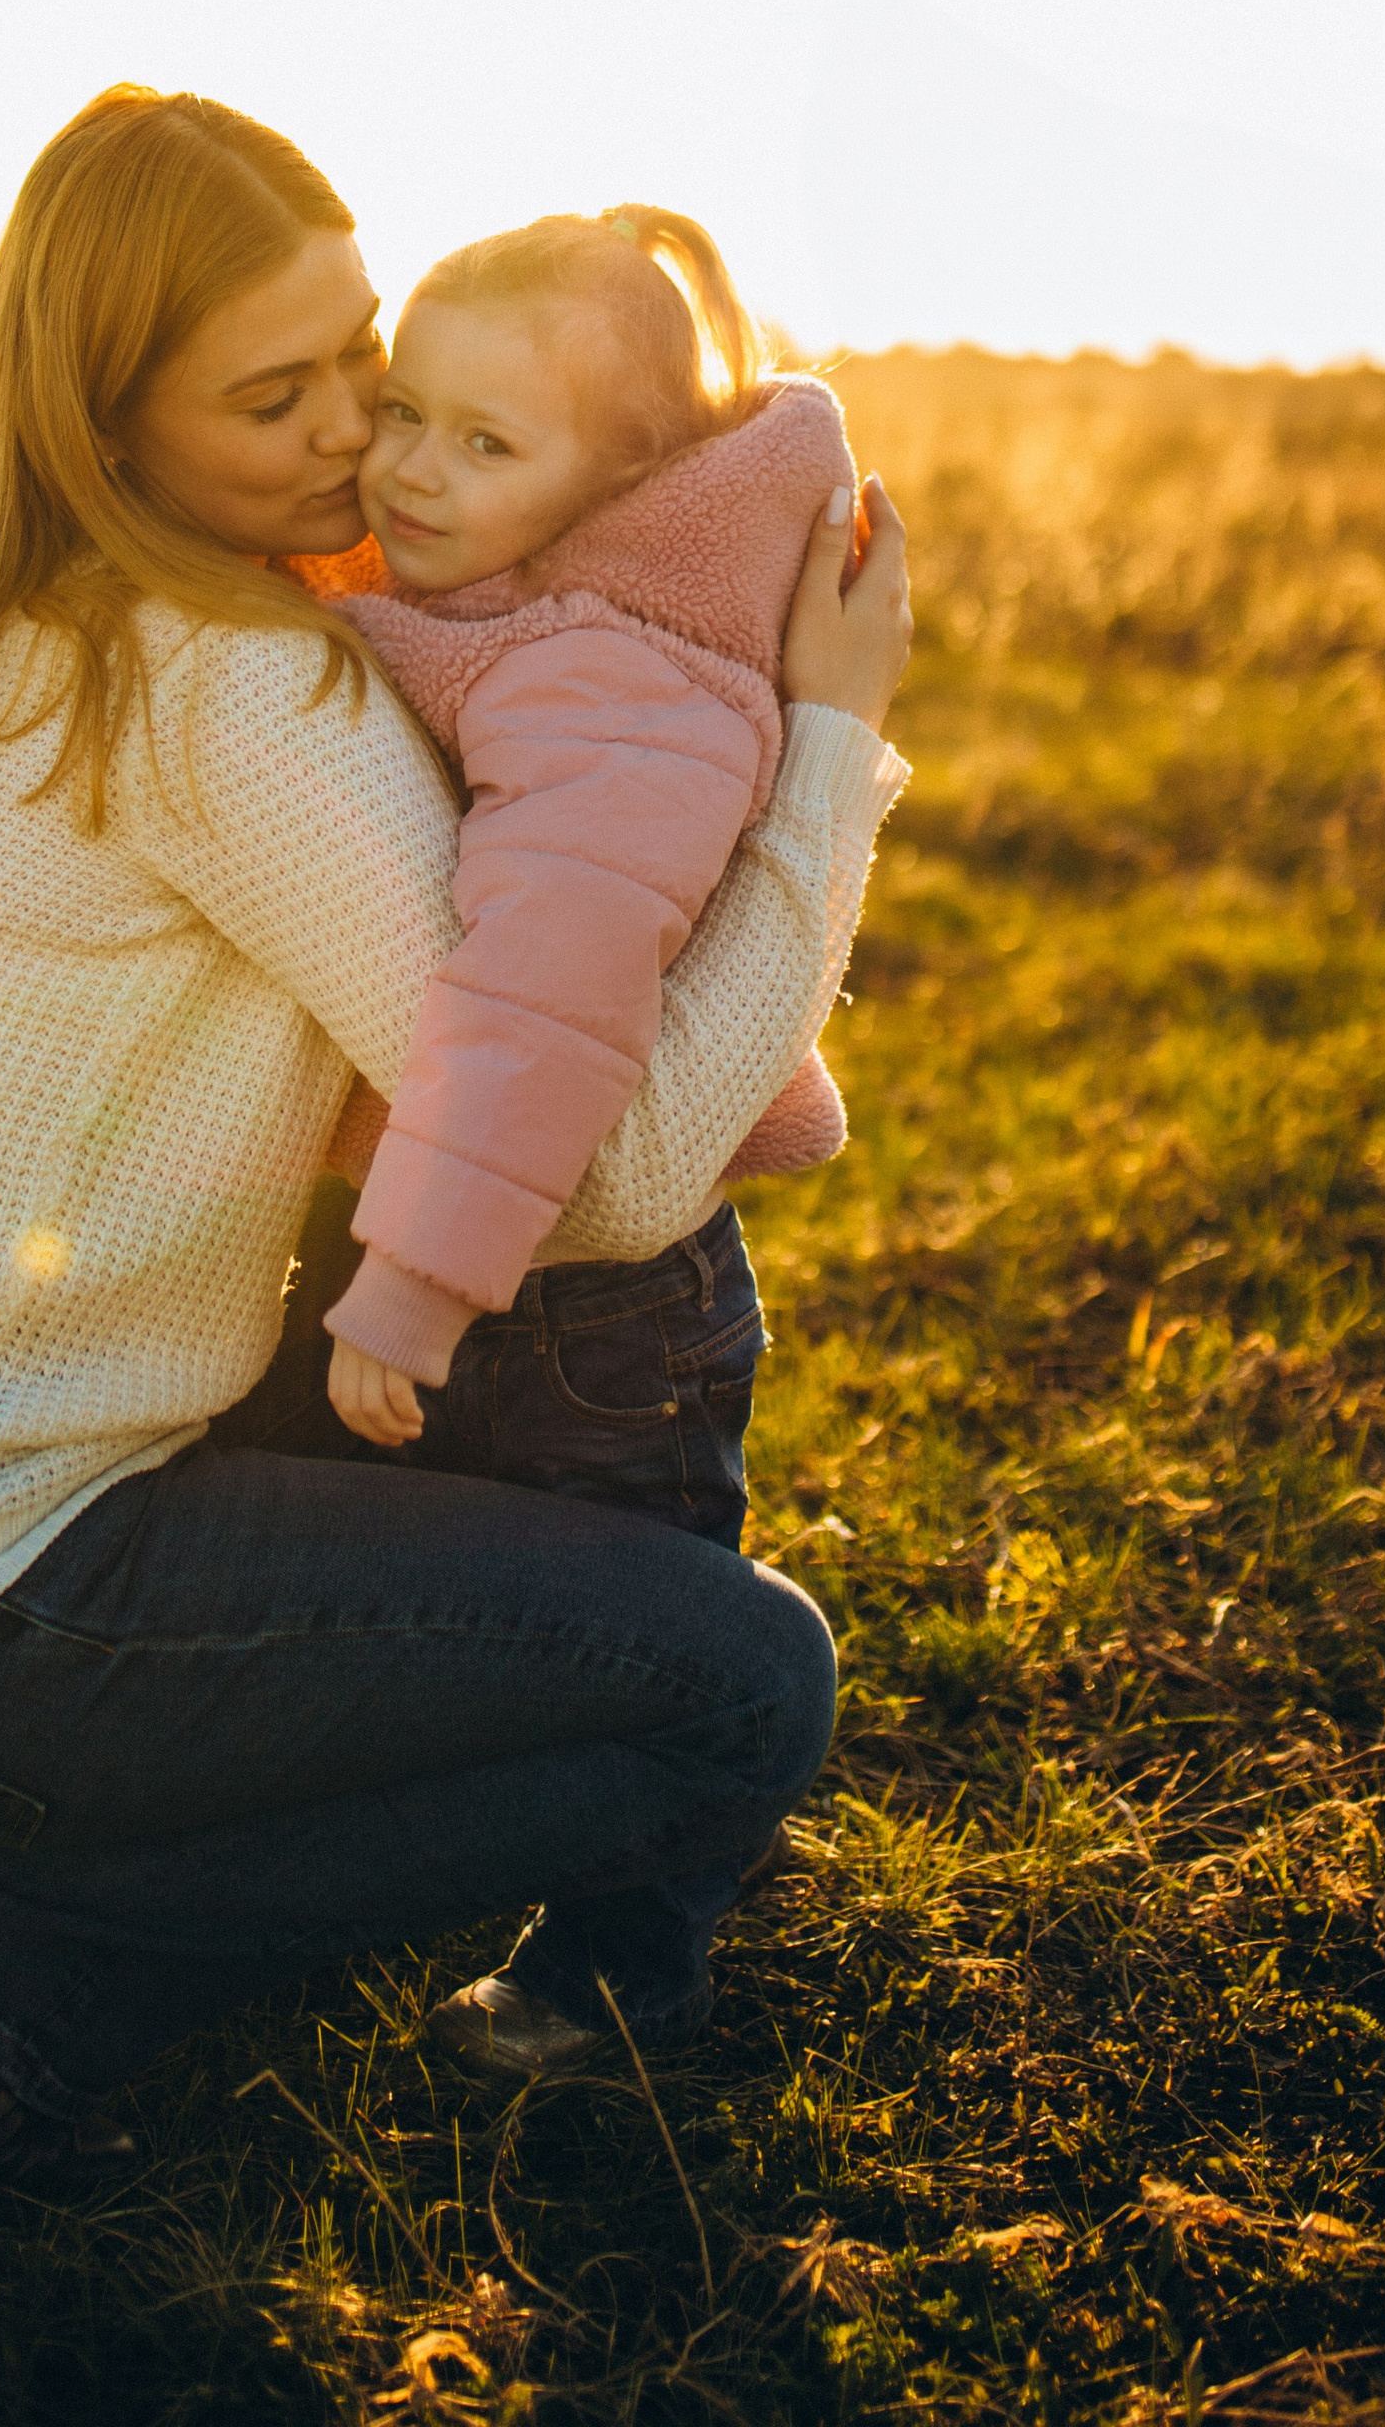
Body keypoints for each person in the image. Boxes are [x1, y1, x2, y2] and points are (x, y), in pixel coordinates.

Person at [0, 87, 913, 2195]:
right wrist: (830, 746)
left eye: (362, 361)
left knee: (526, 1604)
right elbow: (614, 1180)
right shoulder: (236, 695)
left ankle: (38, 1896)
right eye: (276, 397)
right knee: (738, 1691)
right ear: (108, 422)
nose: (353, 439)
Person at [304, 206, 890, 2072]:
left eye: (486, 445)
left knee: (639, 1644)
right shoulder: (488, 580)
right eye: (405, 410)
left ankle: (620, 1970)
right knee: (453, 1619)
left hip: (596, 1312)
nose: (408, 468)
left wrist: (416, 1283)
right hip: (479, 1252)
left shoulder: (617, 671)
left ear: (622, 484)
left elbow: (545, 1000)